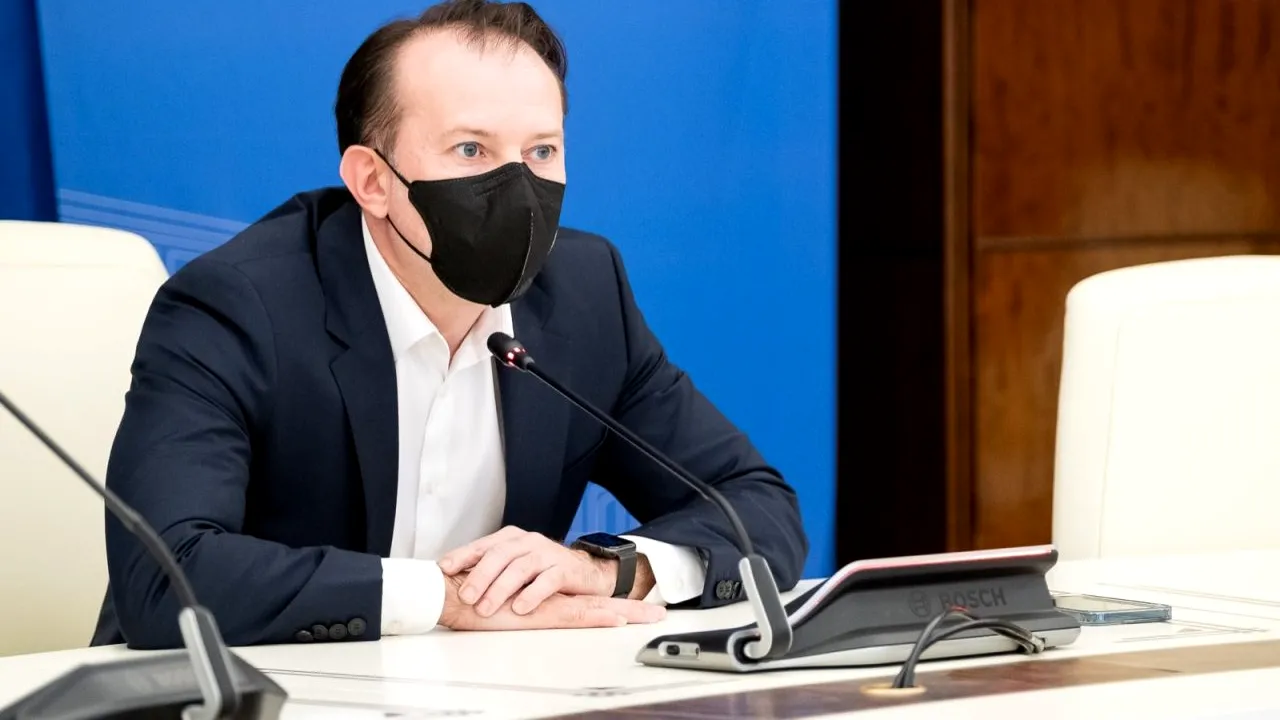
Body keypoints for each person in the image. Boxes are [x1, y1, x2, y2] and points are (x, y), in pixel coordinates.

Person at [92, 0, 807, 649]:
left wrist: (610, 570)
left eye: (541, 152)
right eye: (471, 150)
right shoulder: (238, 305)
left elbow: (755, 506)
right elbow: (165, 576)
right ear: (373, 181)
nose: (518, 186)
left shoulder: (585, 296)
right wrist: (440, 597)